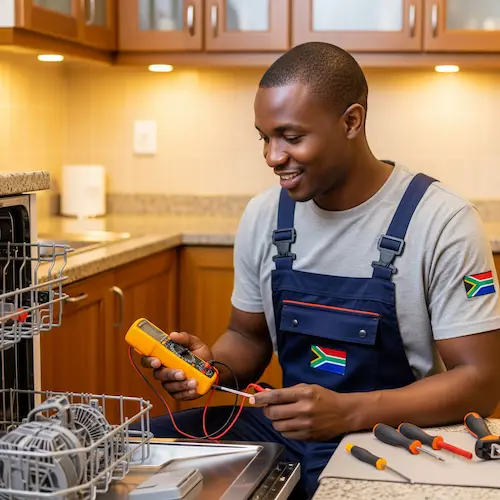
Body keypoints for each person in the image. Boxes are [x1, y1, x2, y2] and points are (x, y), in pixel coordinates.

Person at [141, 42, 500, 499]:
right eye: (264, 138)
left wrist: (347, 412)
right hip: (285, 429)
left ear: (351, 121)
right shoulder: (265, 215)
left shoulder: (442, 222)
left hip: (392, 436)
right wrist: (209, 366)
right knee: (142, 449)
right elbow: (248, 337)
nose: (272, 157)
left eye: (291, 137)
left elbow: (479, 382)